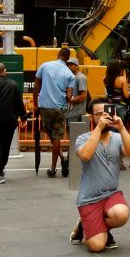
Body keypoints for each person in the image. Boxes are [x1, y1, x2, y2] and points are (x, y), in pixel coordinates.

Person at [69, 98, 130, 252]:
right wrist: (98, 129)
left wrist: (122, 129)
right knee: (96, 246)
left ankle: (102, 228)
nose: (103, 117)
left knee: (121, 214)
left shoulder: (117, 138)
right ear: (91, 117)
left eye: (106, 112)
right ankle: (84, 224)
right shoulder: (83, 138)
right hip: (89, 198)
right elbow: (85, 155)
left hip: (111, 194)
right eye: (98, 114)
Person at [33, 47, 76, 177]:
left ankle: (55, 166)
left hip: (45, 106)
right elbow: (69, 97)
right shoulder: (71, 75)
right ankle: (58, 162)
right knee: (56, 136)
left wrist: (35, 103)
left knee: (50, 134)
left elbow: (36, 86)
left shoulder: (44, 66)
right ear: (68, 59)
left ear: (58, 54)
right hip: (59, 108)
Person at [66, 56, 89, 129]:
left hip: (77, 112)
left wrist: (70, 100)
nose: (69, 66)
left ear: (77, 66)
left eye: (71, 64)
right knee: (71, 133)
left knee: (75, 134)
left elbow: (83, 96)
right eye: (68, 64)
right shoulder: (71, 77)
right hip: (70, 112)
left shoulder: (81, 77)